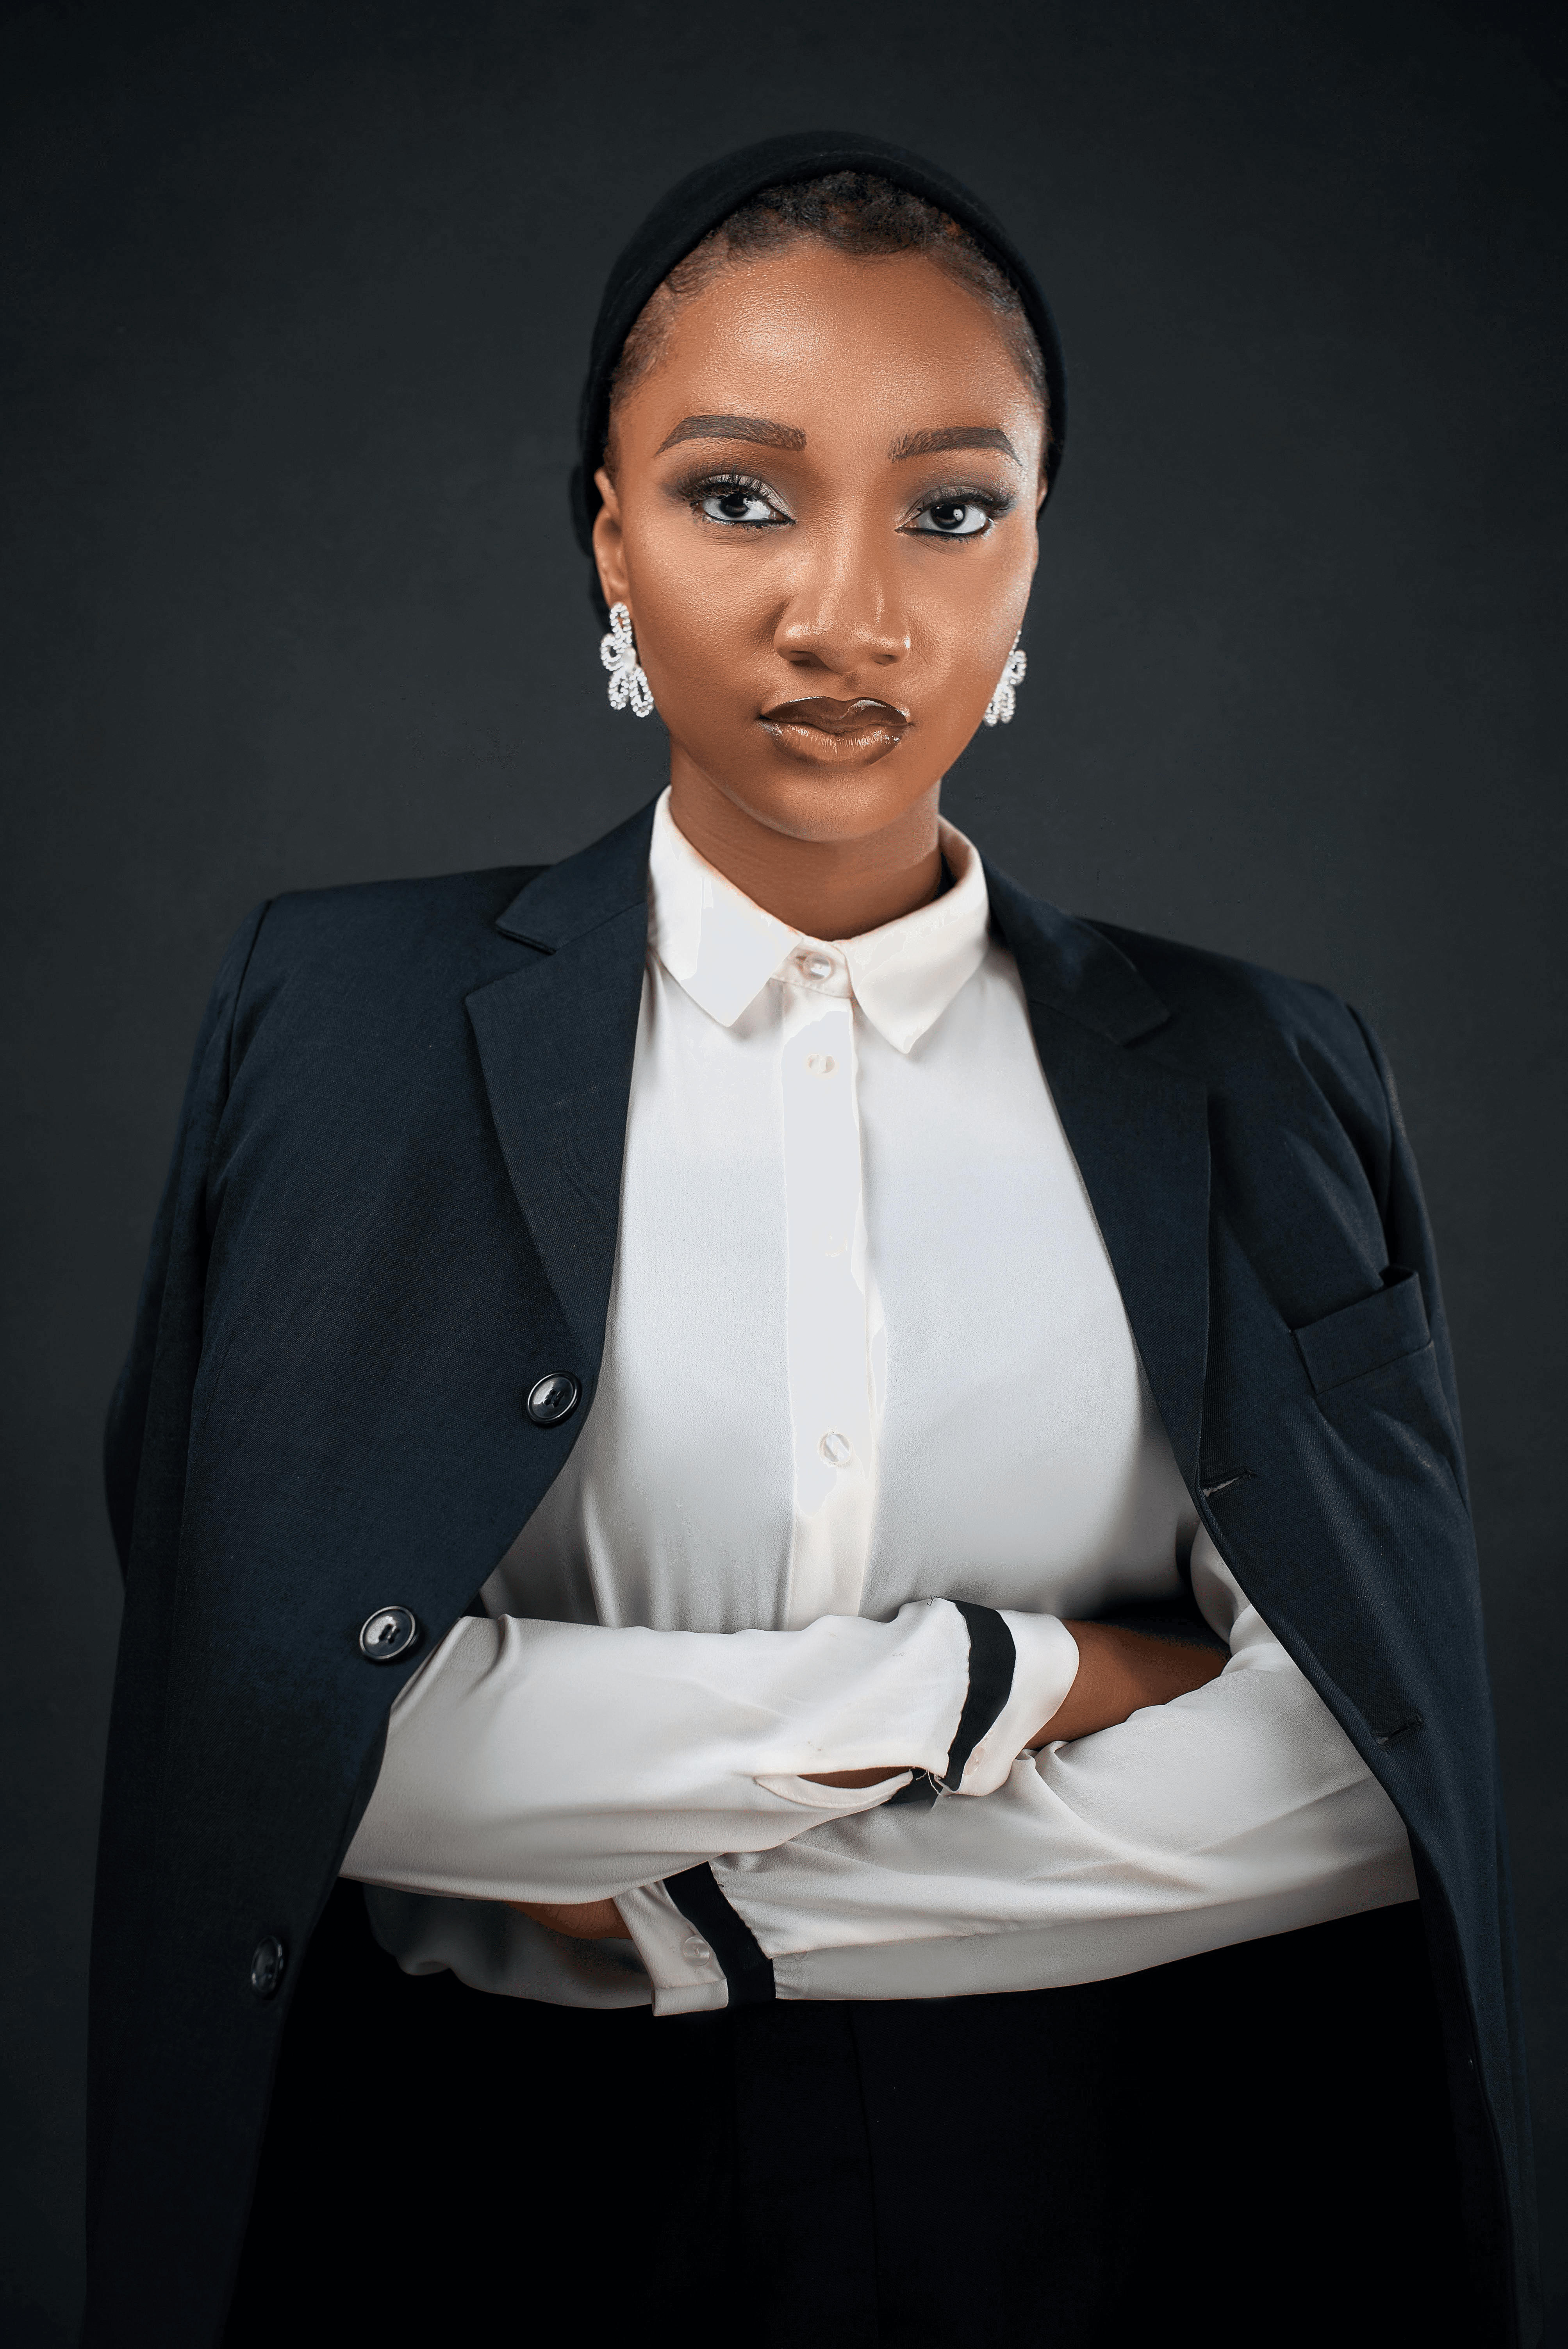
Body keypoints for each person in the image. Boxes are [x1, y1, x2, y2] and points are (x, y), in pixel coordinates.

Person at [84, 133, 1537, 2348]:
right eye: (736, 495)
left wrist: (687, 1912)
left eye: (952, 508)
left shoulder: (1263, 1063)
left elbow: (1362, 1771)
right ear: (604, 531)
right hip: (480, 2208)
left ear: (1035, 555)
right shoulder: (346, 1021)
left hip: (1131, 2213)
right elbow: (289, 1733)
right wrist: (1009, 1681)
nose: (845, 611)